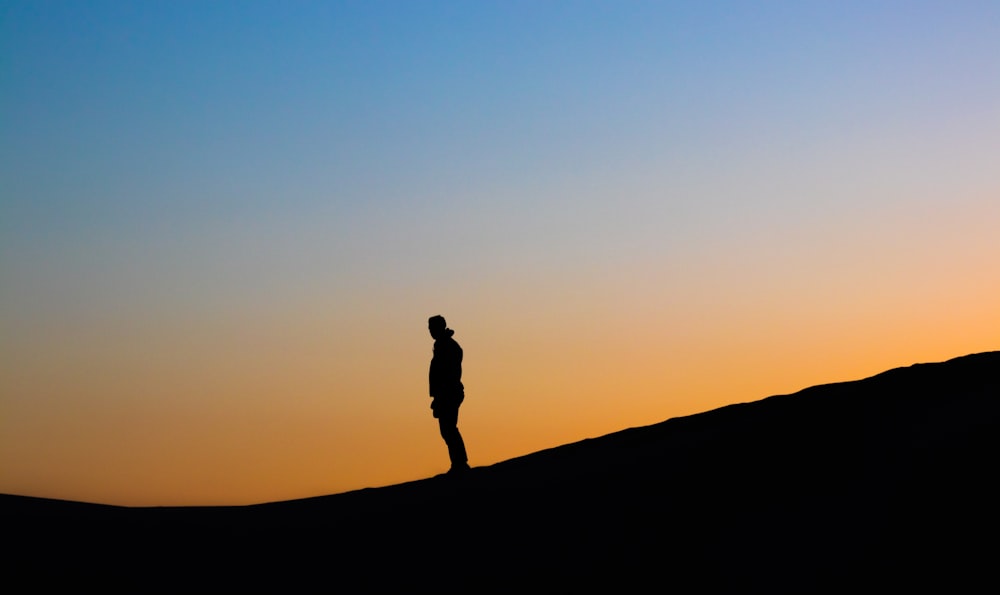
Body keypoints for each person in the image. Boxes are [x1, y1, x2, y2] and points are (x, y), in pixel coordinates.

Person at [428, 315, 470, 474]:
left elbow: (450, 373)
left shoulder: (449, 347)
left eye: (432, 327)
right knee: (447, 429)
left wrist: (442, 395)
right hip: (445, 394)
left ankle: (461, 464)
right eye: (429, 328)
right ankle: (458, 463)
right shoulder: (441, 346)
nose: (430, 331)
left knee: (449, 428)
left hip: (450, 393)